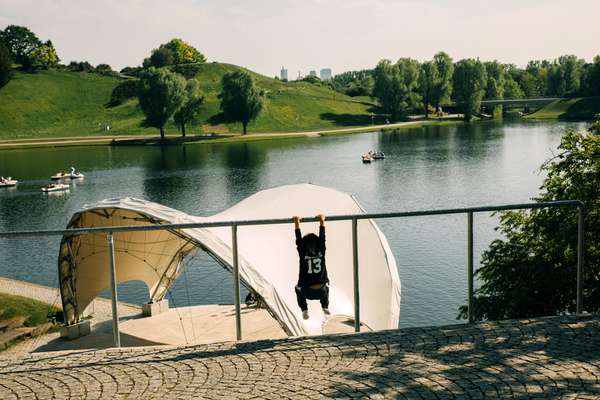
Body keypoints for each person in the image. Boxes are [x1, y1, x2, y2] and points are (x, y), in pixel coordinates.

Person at [293, 214, 330, 320]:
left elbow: (298, 240)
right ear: (318, 244)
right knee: (326, 286)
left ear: (304, 245)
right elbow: (322, 237)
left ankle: (304, 310)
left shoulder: (302, 253)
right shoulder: (321, 251)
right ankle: (325, 306)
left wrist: (297, 222)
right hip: (322, 292)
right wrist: (322, 221)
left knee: (297, 288)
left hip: (306, 292)